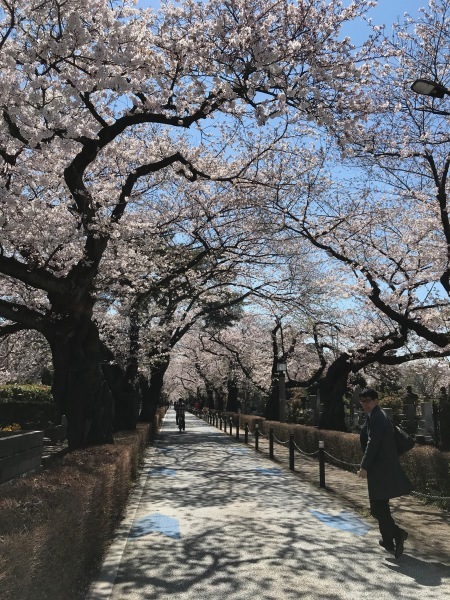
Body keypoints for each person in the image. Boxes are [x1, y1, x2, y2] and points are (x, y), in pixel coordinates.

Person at [358, 387, 412, 559]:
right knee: (381, 506)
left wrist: (364, 466)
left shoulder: (377, 417)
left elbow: (372, 443)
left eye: (368, 400)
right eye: (363, 401)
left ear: (376, 401)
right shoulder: (376, 415)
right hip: (382, 467)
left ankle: (397, 534)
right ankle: (388, 540)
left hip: (380, 469)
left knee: (377, 508)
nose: (365, 404)